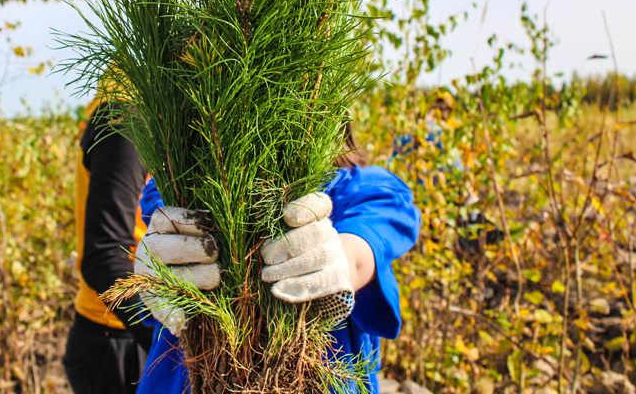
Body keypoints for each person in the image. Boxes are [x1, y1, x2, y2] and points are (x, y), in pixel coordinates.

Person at [131, 124, 422, 394]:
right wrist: (156, 265)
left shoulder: (360, 190)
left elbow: (366, 244)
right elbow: (161, 221)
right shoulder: (182, 187)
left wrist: (338, 261)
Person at [62, 98, 153, 394]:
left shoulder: (152, 104)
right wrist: (171, 341)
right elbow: (106, 257)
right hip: (120, 343)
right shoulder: (126, 119)